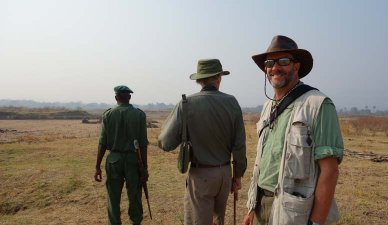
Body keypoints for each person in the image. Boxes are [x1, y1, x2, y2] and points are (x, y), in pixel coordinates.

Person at [243, 35, 344, 225]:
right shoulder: (267, 108)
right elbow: (262, 162)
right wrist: (251, 209)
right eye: (270, 62)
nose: (275, 68)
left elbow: (330, 171)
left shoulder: (318, 105)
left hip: (293, 212)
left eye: (283, 61)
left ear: (296, 66)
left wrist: (316, 223)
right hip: (260, 206)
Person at [158, 59, 247, 225]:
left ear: (199, 79)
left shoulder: (186, 104)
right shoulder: (232, 102)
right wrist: (238, 176)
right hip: (225, 174)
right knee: (218, 220)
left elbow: (165, 142)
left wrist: (185, 136)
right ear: (219, 77)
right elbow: (240, 145)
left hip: (201, 176)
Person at [94, 85, 149, 225]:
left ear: (116, 97)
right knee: (135, 196)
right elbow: (143, 144)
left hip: (114, 160)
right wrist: (144, 167)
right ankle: (135, 222)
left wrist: (97, 166)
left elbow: (102, 143)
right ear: (129, 97)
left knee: (113, 197)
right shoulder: (139, 115)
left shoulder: (108, 115)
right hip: (134, 160)